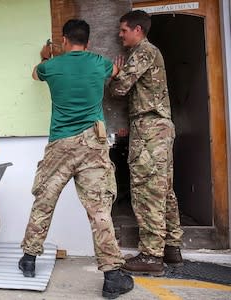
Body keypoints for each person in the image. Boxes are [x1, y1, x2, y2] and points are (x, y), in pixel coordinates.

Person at [19, 19, 133, 299]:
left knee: (44, 201)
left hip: (60, 143)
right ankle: (112, 276)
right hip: (92, 144)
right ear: (88, 42)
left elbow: (35, 74)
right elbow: (116, 70)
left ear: (64, 40)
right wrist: (111, 67)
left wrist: (47, 57)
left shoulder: (51, 66)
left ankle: (29, 260)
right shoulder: (99, 62)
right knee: (99, 210)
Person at [110, 10, 184, 276]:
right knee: (164, 189)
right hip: (159, 128)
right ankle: (172, 248)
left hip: (150, 128)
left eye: (123, 30)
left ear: (137, 30)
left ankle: (152, 256)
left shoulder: (143, 52)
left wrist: (115, 74)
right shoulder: (150, 52)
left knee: (147, 190)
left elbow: (119, 89)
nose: (120, 36)